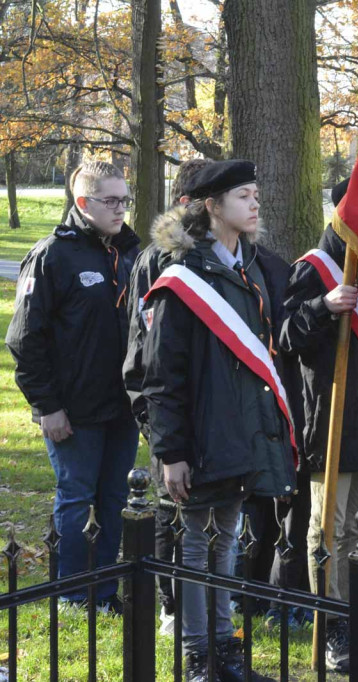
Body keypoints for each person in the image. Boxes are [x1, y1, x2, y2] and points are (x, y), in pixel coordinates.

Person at [140, 160, 293, 682]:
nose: (255, 204)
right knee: (196, 545)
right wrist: (171, 451)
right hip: (200, 437)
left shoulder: (245, 269)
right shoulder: (183, 277)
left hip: (238, 432)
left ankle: (225, 650)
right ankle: (197, 656)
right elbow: (162, 374)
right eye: (244, 196)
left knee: (227, 539)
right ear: (212, 206)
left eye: (256, 194)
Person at [7, 161, 140, 612]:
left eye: (125, 199)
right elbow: (23, 338)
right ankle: (70, 592)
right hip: (73, 412)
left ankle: (103, 591)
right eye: (111, 201)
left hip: (121, 410)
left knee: (115, 499)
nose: (121, 209)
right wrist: (48, 406)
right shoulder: (53, 255)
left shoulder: (130, 253)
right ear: (83, 204)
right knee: (77, 498)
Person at [278, 178, 358, 672]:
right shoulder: (314, 267)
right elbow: (284, 336)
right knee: (328, 528)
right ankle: (333, 626)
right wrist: (322, 308)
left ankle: (357, 610)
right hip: (329, 414)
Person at [124, 157, 211, 634]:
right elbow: (146, 347)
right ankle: (170, 604)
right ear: (189, 202)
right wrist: (151, 417)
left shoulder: (216, 251)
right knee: (169, 505)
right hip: (163, 400)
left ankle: (204, 604)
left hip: (205, 406)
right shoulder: (160, 257)